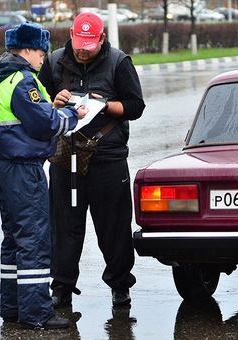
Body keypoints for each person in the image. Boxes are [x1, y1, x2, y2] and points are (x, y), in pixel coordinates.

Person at [0, 22, 88, 329]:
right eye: (41, 52)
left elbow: (21, 120)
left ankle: (11, 308)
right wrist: (71, 116)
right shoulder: (22, 80)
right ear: (27, 49)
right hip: (25, 170)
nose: (43, 58)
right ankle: (37, 313)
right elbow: (44, 124)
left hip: (4, 166)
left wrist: (52, 111)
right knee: (34, 240)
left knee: (13, 239)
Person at [38, 12, 145, 308]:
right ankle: (61, 286)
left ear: (101, 38)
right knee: (64, 226)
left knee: (113, 227)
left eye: (89, 43)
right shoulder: (55, 60)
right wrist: (55, 102)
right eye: (78, 42)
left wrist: (105, 106)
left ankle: (120, 285)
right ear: (71, 34)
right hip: (65, 156)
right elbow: (41, 100)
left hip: (107, 158)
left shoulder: (119, 62)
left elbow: (136, 105)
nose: (82, 49)